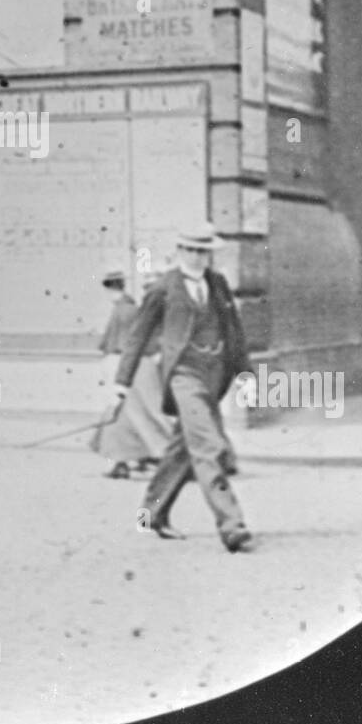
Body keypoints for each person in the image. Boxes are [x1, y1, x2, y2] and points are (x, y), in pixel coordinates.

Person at [112, 226, 253, 551]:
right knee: (208, 446)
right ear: (180, 251)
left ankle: (152, 514)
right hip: (183, 375)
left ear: (209, 253)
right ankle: (231, 524)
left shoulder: (217, 284)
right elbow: (137, 336)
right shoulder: (164, 287)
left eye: (202, 251)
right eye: (190, 250)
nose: (196, 257)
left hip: (214, 375)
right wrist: (122, 382)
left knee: (184, 448)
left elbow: (234, 329)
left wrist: (244, 371)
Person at [90, 269, 167, 478]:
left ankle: (130, 460)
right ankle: (130, 459)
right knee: (131, 415)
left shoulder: (126, 310)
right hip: (134, 364)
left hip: (129, 365)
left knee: (128, 414)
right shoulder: (132, 308)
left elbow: (128, 342)